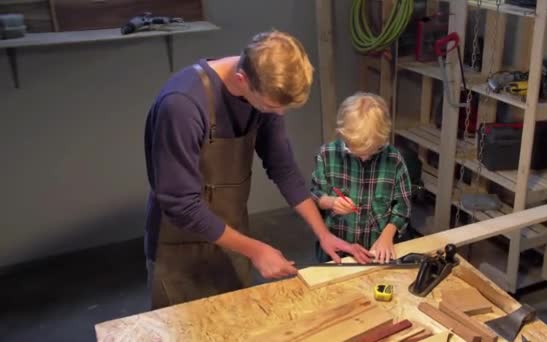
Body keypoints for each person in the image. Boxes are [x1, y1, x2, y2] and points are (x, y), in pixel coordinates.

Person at [143, 30, 373, 309]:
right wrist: (256, 250)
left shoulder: (263, 98)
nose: (278, 115)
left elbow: (283, 168)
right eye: (271, 107)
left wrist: (323, 233)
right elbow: (182, 205)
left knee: (238, 322)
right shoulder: (182, 104)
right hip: (178, 246)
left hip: (232, 235)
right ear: (243, 80)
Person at [311, 92, 413, 264]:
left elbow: (403, 206)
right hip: (336, 252)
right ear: (344, 135)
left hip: (377, 250)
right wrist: (330, 202)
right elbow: (314, 195)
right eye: (355, 150)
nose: (364, 158)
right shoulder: (327, 155)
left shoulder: (393, 160)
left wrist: (387, 236)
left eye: (372, 150)